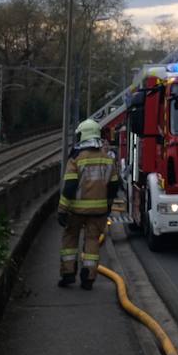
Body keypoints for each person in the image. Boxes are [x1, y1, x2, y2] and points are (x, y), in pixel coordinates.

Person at [57, 119, 120, 290]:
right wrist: (108, 205)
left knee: (70, 238)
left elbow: (69, 187)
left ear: (82, 135)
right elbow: (114, 186)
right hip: (99, 211)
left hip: (76, 210)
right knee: (92, 241)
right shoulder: (107, 159)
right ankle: (89, 277)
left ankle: (68, 274)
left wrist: (62, 210)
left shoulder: (76, 159)